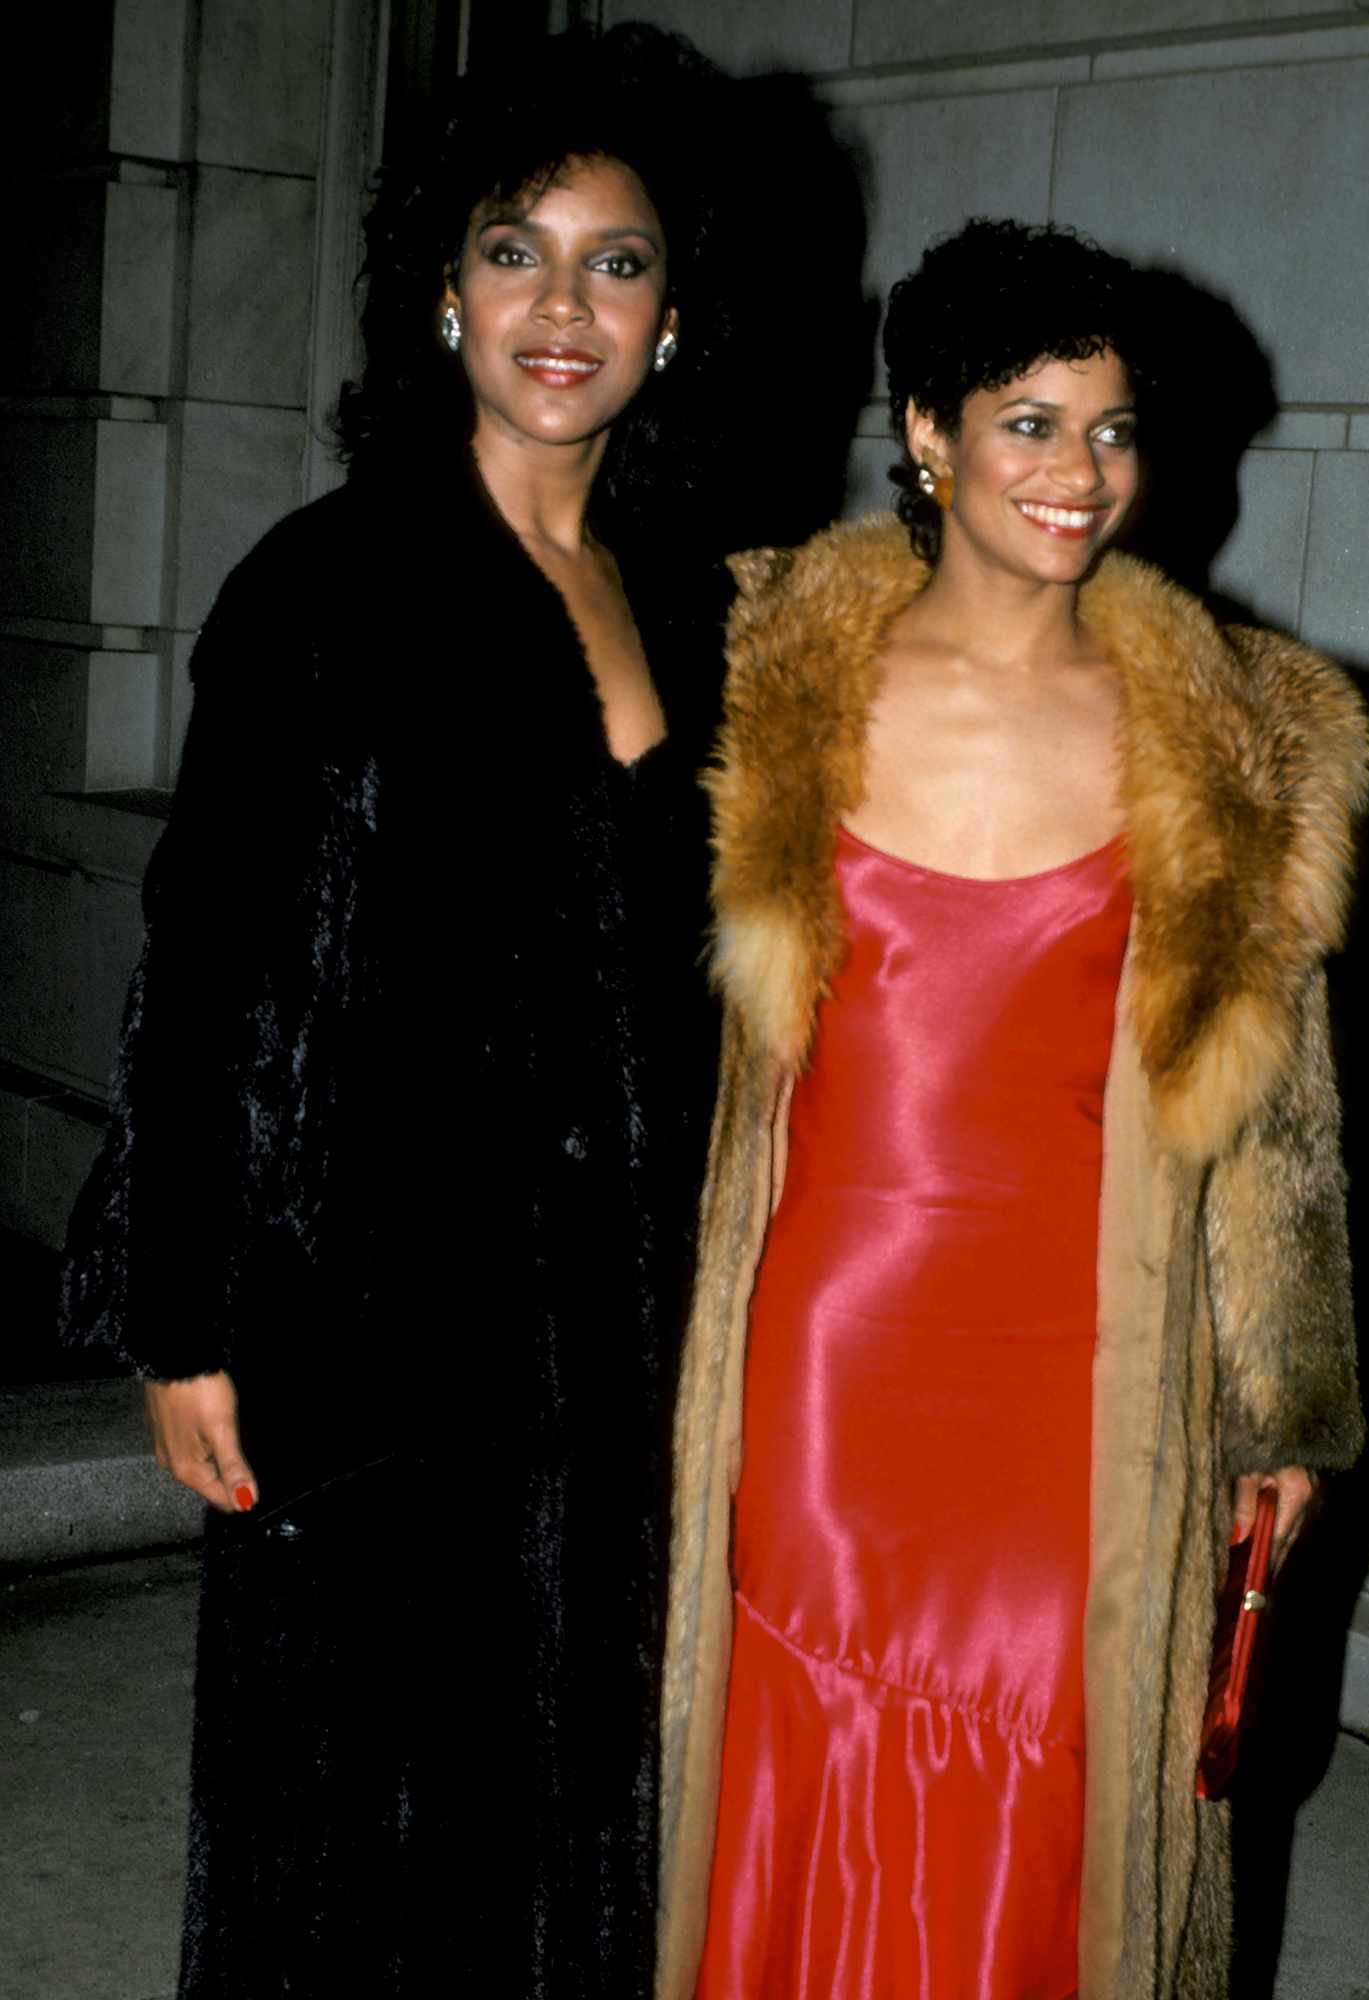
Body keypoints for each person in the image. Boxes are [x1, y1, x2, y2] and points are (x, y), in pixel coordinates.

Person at [62, 24, 741, 1996]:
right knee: (347, 1830)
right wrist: (185, 1311)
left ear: (675, 317)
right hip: (370, 1322)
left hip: (624, 1334)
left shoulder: (702, 601)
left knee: (575, 1818)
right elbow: (207, 970)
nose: (561, 305)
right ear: (440, 290)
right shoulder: (327, 584)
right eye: (513, 251)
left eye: (615, 263)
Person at [657, 219, 1369, 2000]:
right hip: (831, 1336)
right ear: (925, 434)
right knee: (808, 1732)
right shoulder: (763, 670)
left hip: (1085, 1353)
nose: (1078, 472)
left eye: (1112, 429)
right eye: (1028, 423)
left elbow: (1277, 1101)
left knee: (1060, 1754)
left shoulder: (1235, 729)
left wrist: (1279, 1399)